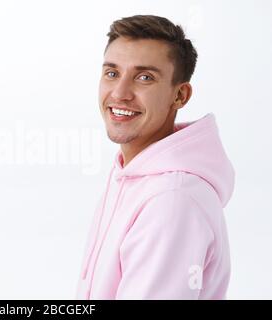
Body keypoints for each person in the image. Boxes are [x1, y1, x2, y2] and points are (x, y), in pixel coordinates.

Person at [76, 15, 235, 299]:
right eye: (112, 73)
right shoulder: (131, 174)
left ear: (180, 95)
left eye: (144, 77)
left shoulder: (172, 199)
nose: (120, 93)